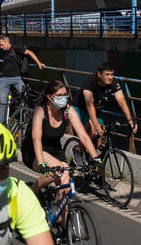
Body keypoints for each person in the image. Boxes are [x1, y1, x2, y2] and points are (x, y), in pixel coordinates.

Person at [29, 80, 99, 218]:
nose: (64, 98)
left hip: (56, 151)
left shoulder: (68, 110)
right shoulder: (41, 110)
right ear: (50, 97)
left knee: (66, 187)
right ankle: (31, 192)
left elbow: (84, 136)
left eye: (66, 94)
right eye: (60, 95)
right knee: (58, 170)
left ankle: (64, 227)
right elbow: (36, 139)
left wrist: (96, 158)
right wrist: (42, 162)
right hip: (37, 150)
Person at [76, 62, 138, 150]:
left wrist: (130, 119)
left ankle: (93, 159)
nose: (110, 77)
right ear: (99, 74)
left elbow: (121, 101)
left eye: (112, 74)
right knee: (93, 131)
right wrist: (95, 124)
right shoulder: (89, 82)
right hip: (80, 109)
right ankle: (78, 150)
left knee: (100, 137)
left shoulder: (113, 82)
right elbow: (89, 105)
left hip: (96, 110)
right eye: (107, 75)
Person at [0, 34, 44, 123]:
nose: (1, 47)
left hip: (16, 78)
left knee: (24, 96)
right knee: (2, 102)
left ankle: (24, 119)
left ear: (7, 42)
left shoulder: (16, 48)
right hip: (4, 79)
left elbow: (30, 53)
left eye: (2, 45)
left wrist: (39, 63)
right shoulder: (4, 51)